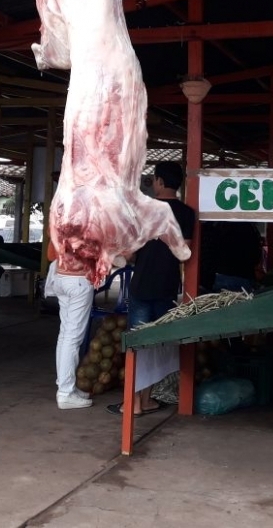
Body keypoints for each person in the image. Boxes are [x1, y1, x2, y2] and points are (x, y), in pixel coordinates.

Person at [107, 162, 194, 417]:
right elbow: (184, 253)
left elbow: (130, 254)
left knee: (137, 344)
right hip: (167, 286)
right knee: (157, 344)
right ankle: (145, 400)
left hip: (142, 286)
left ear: (159, 181)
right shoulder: (187, 214)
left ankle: (132, 403)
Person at [46, 238, 95, 410]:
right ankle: (65, 393)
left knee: (65, 335)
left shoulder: (59, 221)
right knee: (72, 338)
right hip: (78, 280)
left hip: (61, 277)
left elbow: (50, 254)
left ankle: (65, 385)